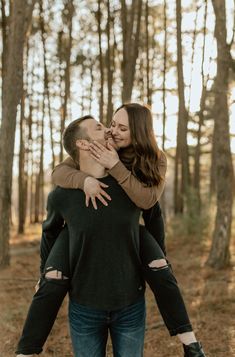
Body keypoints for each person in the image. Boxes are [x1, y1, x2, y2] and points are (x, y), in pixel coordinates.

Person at [16, 104, 206, 357]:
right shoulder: (79, 168)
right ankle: (26, 351)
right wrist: (84, 181)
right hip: (82, 284)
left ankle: (190, 343)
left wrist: (155, 259)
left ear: (138, 133)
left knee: (161, 267)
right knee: (52, 278)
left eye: (121, 128)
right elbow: (59, 173)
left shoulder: (153, 160)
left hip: (130, 259)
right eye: (110, 124)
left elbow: (151, 206)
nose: (112, 131)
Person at [17, 115, 146, 357]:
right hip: (84, 309)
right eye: (99, 127)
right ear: (84, 144)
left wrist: (157, 268)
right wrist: (44, 271)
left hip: (130, 306)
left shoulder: (129, 184)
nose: (109, 129)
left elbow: (153, 216)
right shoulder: (61, 196)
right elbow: (50, 233)